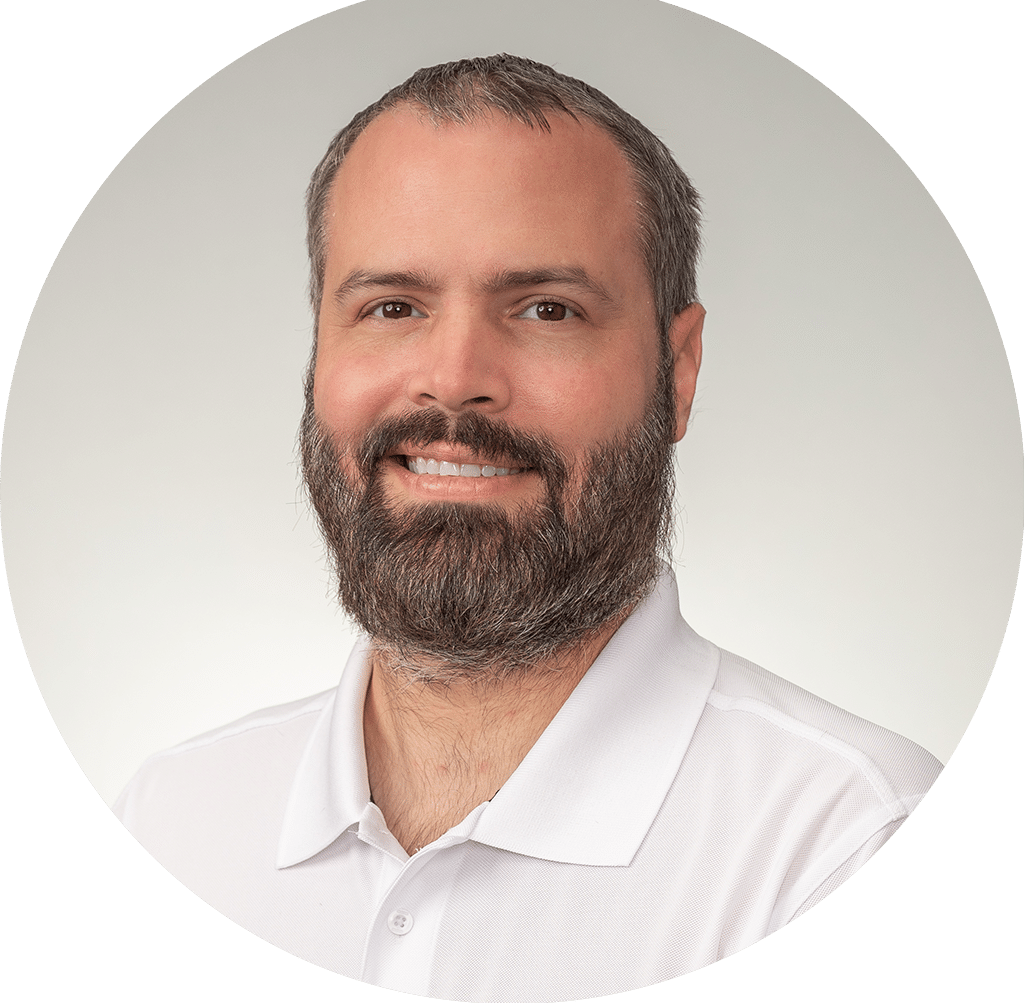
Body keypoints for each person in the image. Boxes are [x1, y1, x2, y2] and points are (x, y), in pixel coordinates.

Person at [115, 55, 941, 1002]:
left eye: (547, 309)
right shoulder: (173, 823)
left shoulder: (847, 845)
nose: (454, 375)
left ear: (678, 371)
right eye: (392, 307)